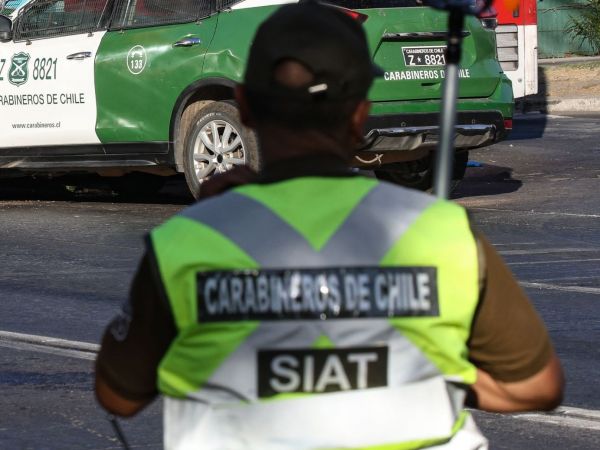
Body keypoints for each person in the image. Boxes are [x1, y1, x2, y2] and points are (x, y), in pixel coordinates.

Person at [95, 2, 564, 449]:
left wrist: (219, 219)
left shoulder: (184, 246)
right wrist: (415, 376)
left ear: (246, 107)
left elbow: (118, 395)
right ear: (360, 114)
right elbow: (535, 386)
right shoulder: (443, 233)